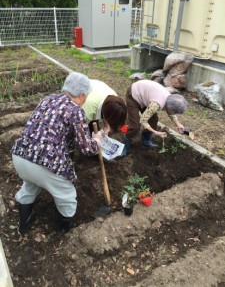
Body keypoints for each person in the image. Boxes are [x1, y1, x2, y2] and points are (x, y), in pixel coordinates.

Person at [11, 72, 102, 234]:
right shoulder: (76, 110)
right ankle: (64, 229)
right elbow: (86, 148)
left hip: (20, 154)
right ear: (81, 95)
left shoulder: (48, 99)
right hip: (45, 162)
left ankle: (24, 222)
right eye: (86, 96)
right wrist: (96, 140)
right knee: (66, 194)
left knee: (31, 184)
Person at [122, 79, 188, 156]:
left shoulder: (170, 99)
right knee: (135, 126)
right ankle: (124, 145)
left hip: (145, 96)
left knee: (153, 120)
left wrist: (178, 124)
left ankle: (145, 142)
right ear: (168, 107)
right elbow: (143, 120)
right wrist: (156, 132)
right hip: (133, 95)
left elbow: (170, 111)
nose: (172, 112)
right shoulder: (156, 104)